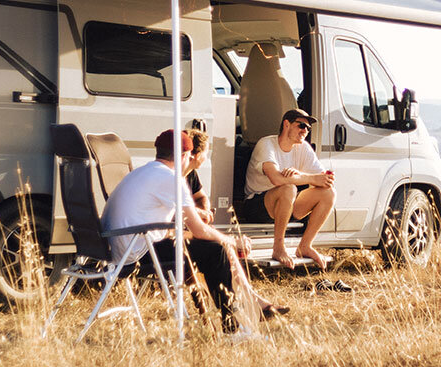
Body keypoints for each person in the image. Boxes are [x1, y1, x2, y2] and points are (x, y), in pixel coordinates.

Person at [100, 129, 288, 334]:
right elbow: (199, 230)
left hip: (119, 250)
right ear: (184, 156)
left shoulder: (144, 171)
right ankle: (232, 328)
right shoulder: (172, 178)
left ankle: (243, 312)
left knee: (210, 246)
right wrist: (232, 241)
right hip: (138, 255)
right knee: (215, 251)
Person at [243, 108, 336, 269]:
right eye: (301, 125)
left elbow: (325, 181)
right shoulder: (266, 144)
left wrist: (299, 174)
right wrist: (310, 178)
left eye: (308, 128)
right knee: (288, 188)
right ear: (286, 124)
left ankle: (305, 246)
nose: (305, 131)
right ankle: (278, 247)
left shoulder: (304, 148)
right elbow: (277, 179)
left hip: (286, 206)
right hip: (255, 205)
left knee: (328, 193)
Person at [184, 128, 213, 223]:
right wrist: (200, 213)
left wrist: (205, 210)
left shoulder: (191, 173)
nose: (206, 158)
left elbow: (201, 197)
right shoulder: (170, 175)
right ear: (198, 155)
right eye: (206, 153)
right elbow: (174, 208)